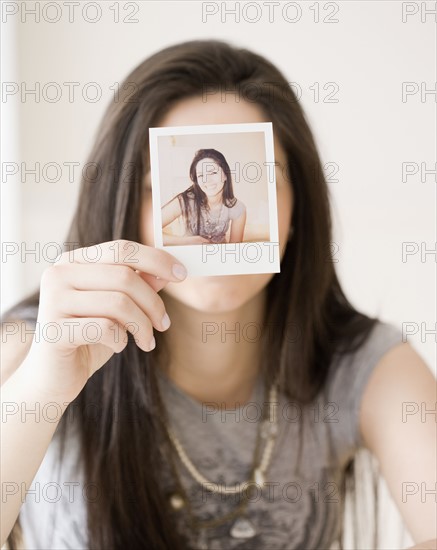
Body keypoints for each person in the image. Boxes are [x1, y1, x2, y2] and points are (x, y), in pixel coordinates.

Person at [1, 40, 435, 550]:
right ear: (121, 208)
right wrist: (41, 391)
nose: (211, 179)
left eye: (261, 176)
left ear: (298, 208)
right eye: (151, 182)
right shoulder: (32, 345)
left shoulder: (365, 363)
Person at [161, 148, 246, 245]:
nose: (207, 180)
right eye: (201, 175)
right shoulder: (184, 201)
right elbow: (149, 231)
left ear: (225, 175)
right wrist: (186, 241)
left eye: (213, 173)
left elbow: (235, 249)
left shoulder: (237, 208)